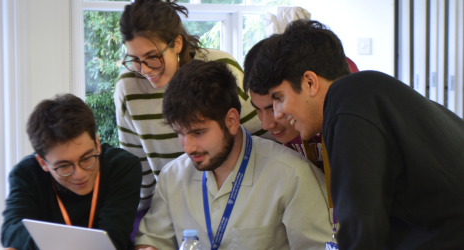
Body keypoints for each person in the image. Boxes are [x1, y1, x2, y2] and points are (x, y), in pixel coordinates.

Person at [247, 19, 464, 250]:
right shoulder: (366, 91)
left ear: (310, 82)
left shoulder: (349, 103)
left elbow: (361, 226)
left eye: (279, 98)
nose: (278, 113)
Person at [134, 60, 331, 250]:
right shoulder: (172, 177)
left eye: (198, 132)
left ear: (231, 121)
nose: (188, 148)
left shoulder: (293, 176)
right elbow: (152, 238)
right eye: (180, 133)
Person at [115, 0, 266, 217]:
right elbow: (139, 173)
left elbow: (263, 139)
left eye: (152, 57)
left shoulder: (219, 66)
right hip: (177, 207)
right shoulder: (127, 88)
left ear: (177, 43)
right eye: (135, 59)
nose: (144, 70)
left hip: (242, 199)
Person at [1, 94, 142, 250]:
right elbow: (12, 231)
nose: (79, 174)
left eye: (87, 158)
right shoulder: (26, 173)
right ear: (43, 163)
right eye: (64, 166)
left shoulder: (122, 167)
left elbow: (113, 240)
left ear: (96, 143)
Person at [244, 37, 360, 171]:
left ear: (308, 84)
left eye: (279, 99)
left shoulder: (349, 114)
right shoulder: (290, 133)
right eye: (257, 109)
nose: (266, 124)